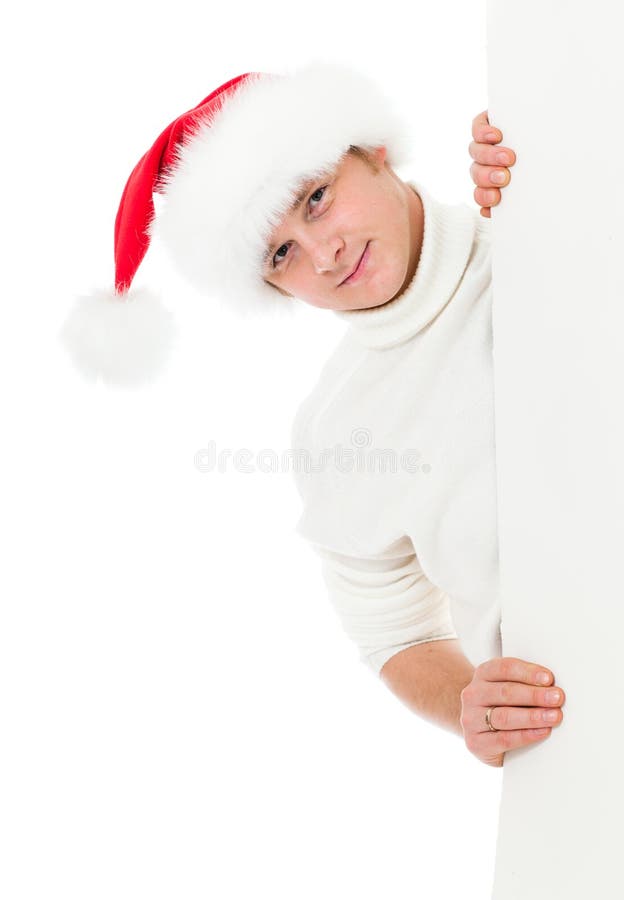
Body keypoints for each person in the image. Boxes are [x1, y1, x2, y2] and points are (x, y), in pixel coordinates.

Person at [59, 62, 565, 769]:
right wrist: (466, 703)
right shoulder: (338, 433)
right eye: (281, 252)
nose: (322, 253)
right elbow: (392, 633)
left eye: (318, 198)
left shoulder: (541, 228)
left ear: (373, 151)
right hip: (583, 752)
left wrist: (561, 163)